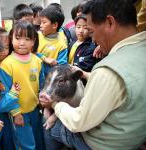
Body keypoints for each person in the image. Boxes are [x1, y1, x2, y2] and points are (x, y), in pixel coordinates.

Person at [39, 0, 146, 149]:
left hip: (103, 144)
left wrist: (56, 104)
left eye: (91, 31)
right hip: (133, 138)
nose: (93, 39)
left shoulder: (107, 71)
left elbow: (78, 121)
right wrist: (85, 74)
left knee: (50, 127)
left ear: (109, 22)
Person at [0, 20, 45, 150]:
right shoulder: (6, 64)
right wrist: (16, 113)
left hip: (35, 109)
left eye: (27, 38)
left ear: (34, 41)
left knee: (38, 138)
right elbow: (5, 93)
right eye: (17, 38)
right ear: (11, 39)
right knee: (25, 144)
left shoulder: (37, 61)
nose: (22, 43)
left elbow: (41, 84)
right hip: (19, 113)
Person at [38, 6, 68, 76]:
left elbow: (62, 67)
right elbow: (30, 52)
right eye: (40, 22)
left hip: (49, 81)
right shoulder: (36, 37)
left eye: (44, 22)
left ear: (54, 25)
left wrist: (56, 64)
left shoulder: (62, 45)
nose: (40, 25)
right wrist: (44, 58)